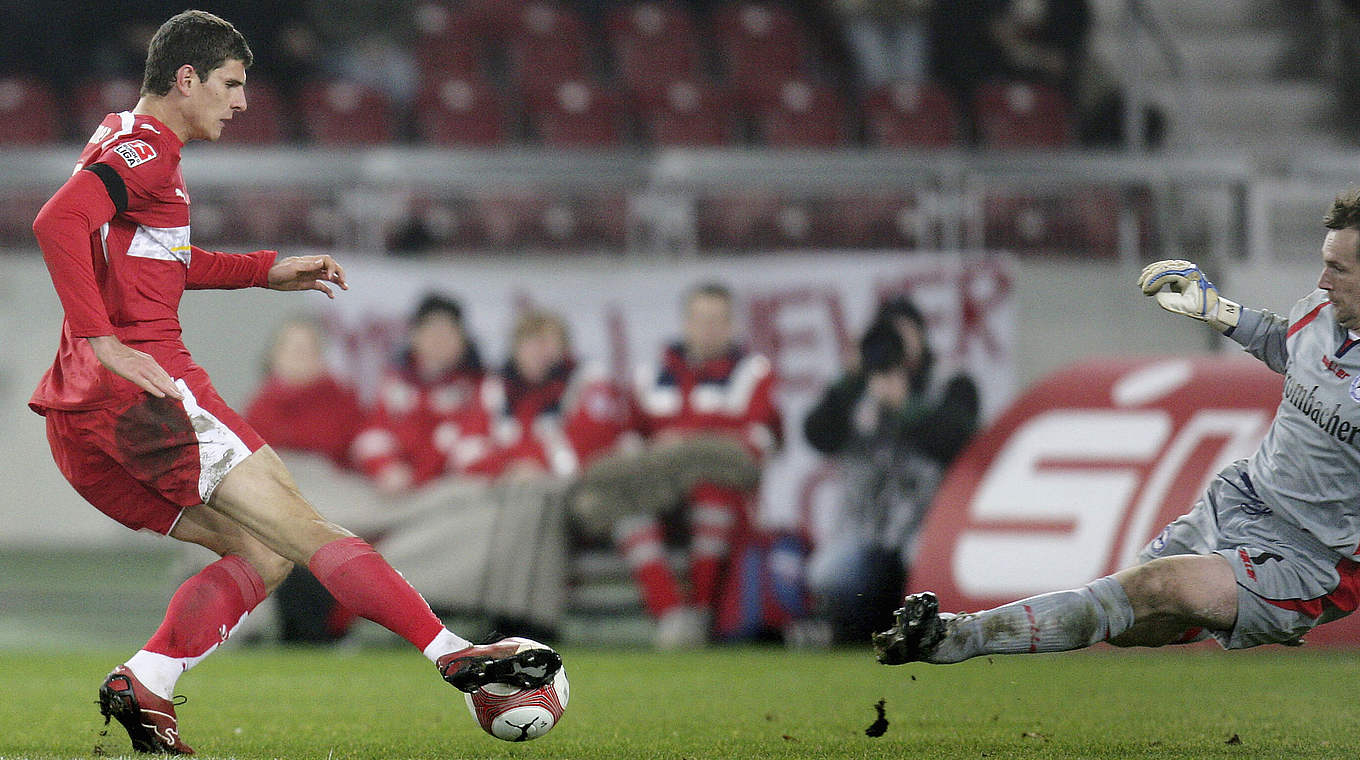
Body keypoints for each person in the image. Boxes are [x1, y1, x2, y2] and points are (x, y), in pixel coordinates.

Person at [27, 11, 559, 755]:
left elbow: (154, 263)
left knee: (263, 553)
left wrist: (260, 269)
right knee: (307, 531)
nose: (242, 102)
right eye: (231, 84)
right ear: (187, 79)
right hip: (146, 395)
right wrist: (106, 341)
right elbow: (55, 223)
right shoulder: (147, 150)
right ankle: (452, 653)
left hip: (79, 414)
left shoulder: (125, 139)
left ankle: (145, 681)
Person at [875, 189, 1360, 668]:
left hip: (1310, 558)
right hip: (1243, 498)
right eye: (1324, 262)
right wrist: (1215, 310)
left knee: (1151, 589)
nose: (1322, 280)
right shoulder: (1321, 313)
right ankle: (1245, 611)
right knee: (1131, 619)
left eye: (1337, 268)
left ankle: (954, 636)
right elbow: (1290, 344)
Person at [575, 282, 781, 648]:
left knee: (711, 491)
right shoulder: (649, 376)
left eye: (718, 320)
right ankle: (670, 614)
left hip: (723, 499)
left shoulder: (754, 373)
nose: (709, 328)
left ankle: (701, 611)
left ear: (733, 326)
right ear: (685, 324)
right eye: (701, 319)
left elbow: (752, 447)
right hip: (660, 495)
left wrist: (679, 444)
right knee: (623, 501)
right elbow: (630, 441)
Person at [803, 297, 979, 644]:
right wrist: (850, 379)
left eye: (903, 337)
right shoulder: (856, 390)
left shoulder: (949, 383)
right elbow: (817, 434)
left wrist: (905, 407)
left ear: (922, 338)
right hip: (862, 533)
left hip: (926, 534)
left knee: (924, 592)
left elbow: (958, 439)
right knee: (831, 576)